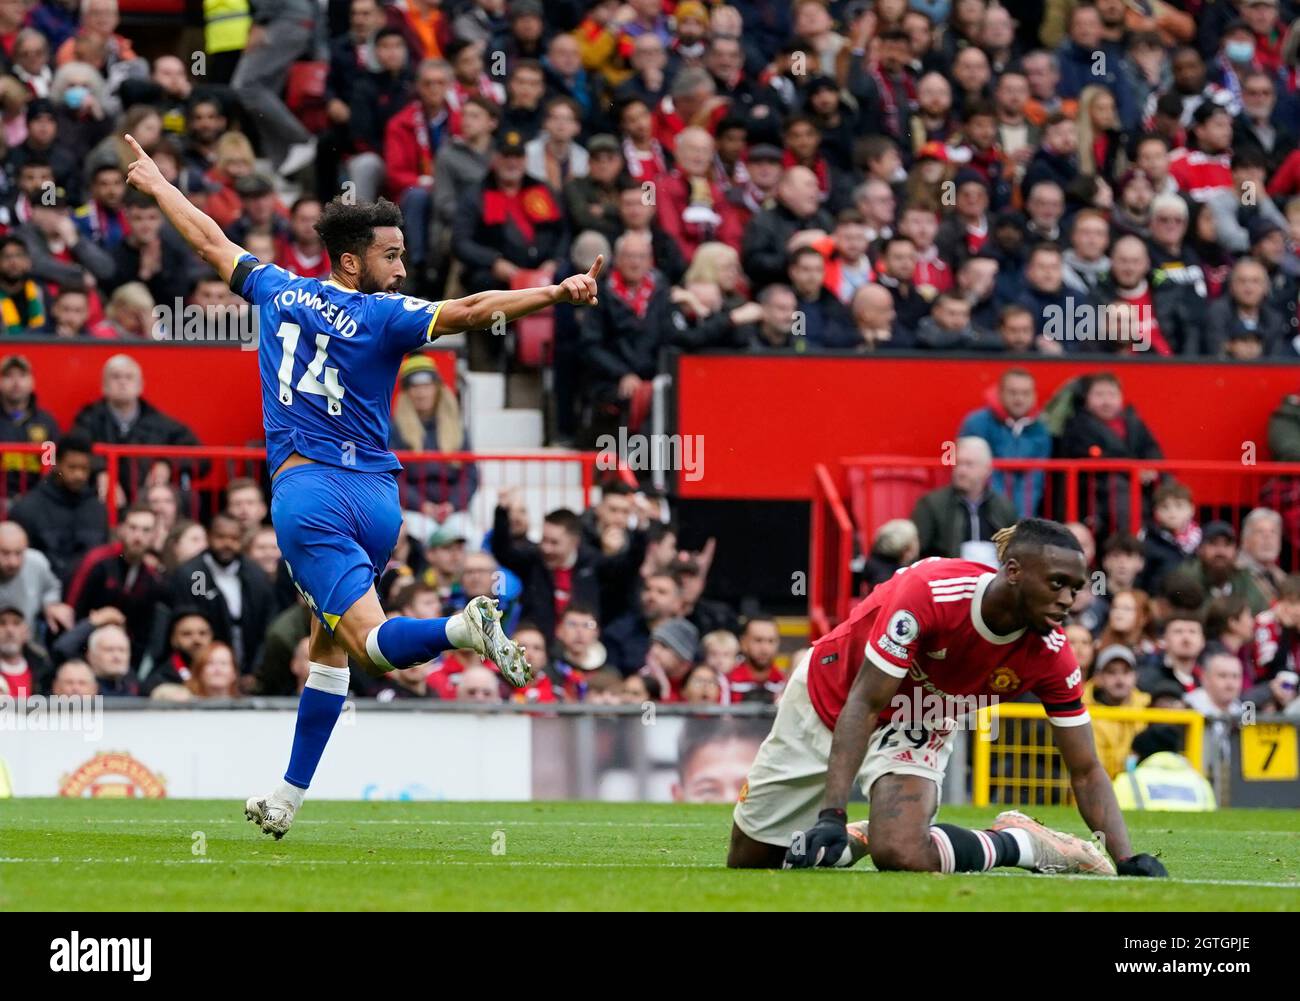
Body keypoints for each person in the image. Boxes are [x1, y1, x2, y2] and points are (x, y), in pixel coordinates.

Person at [120, 132, 605, 839]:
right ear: (351, 260)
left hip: (310, 496)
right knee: (330, 645)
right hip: (378, 499)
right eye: (392, 255)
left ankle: (459, 627)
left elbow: (208, 241)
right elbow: (472, 310)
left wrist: (159, 185)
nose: (403, 267)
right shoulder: (386, 317)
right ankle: (288, 794)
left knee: (372, 641)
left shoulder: (276, 287)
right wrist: (555, 291)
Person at [732, 518, 1166, 878]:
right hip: (832, 696)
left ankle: (1022, 844)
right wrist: (833, 814)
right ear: (1013, 571)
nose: (1068, 600)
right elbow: (863, 704)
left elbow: (1087, 769)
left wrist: (1125, 859)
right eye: (1057, 584)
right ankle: (860, 833)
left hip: (920, 720)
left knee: (902, 855)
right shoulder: (931, 592)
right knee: (755, 863)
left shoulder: (1052, 653)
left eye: (1074, 588)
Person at [910, 436, 1018, 559]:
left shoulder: (1004, 506)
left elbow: (1014, 551)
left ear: (987, 469)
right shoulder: (931, 505)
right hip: (948, 575)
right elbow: (915, 552)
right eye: (958, 463)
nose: (961, 471)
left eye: (969, 464)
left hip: (995, 575)